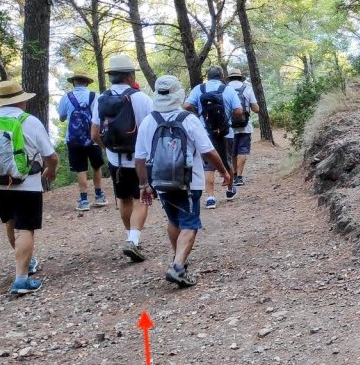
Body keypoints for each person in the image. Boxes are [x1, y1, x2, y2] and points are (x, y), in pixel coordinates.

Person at [0, 80, 59, 295]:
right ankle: (21, 280)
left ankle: (27, 263)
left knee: (10, 222)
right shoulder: (31, 122)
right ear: (21, 102)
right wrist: (51, 169)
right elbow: (50, 156)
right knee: (25, 228)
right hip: (27, 184)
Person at [135, 75, 231, 287]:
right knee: (189, 223)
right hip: (189, 180)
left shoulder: (149, 121)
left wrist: (144, 185)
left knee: (173, 220)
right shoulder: (188, 119)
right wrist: (224, 171)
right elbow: (208, 151)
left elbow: (140, 157)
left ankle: (178, 259)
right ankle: (178, 266)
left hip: (160, 181)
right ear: (178, 94)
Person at [91, 54, 154, 262]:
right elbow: (152, 130)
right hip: (139, 159)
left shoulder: (100, 99)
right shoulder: (141, 99)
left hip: (115, 159)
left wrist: (108, 148)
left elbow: (94, 134)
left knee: (124, 199)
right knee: (142, 198)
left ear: (111, 77)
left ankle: (130, 236)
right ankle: (134, 240)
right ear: (130, 76)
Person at [183, 66, 245, 209]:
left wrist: (199, 111)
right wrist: (227, 113)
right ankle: (229, 190)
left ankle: (210, 197)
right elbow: (239, 110)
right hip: (225, 132)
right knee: (227, 161)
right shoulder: (228, 89)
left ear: (208, 76)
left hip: (204, 133)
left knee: (208, 165)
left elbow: (186, 106)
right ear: (222, 76)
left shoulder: (199, 89)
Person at [57, 71, 107, 211]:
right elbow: (100, 117)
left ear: (74, 82)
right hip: (93, 138)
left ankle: (84, 200)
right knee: (97, 166)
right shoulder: (95, 96)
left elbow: (61, 117)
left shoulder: (66, 97)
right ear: (87, 82)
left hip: (74, 139)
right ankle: (99, 196)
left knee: (80, 169)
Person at [226, 67, 260, 187]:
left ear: (229, 78)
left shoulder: (225, 89)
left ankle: (234, 174)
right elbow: (255, 109)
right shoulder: (247, 89)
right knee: (242, 150)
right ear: (240, 77)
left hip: (229, 127)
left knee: (232, 152)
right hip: (245, 126)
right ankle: (239, 177)